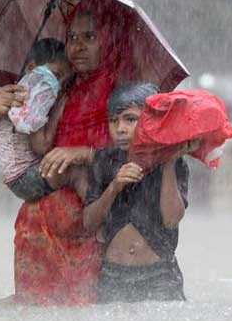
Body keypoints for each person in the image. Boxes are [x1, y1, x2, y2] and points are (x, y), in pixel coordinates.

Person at [0, 0, 138, 304]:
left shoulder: (122, 91)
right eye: (72, 38)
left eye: (90, 37)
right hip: (37, 230)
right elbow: (10, 153)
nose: (78, 46)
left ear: (109, 40)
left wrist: (83, 153)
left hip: (92, 231)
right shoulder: (53, 86)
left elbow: (138, 154)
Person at [83, 82, 197, 302]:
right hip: (113, 275)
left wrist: (169, 162)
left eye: (130, 119)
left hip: (159, 276)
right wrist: (114, 187)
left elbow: (172, 219)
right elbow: (89, 222)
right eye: (113, 121)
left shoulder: (173, 161)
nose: (120, 129)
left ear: (150, 121)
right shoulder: (104, 160)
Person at [0, 38, 87, 200]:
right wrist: (59, 111)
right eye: (56, 76)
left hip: (15, 176)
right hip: (24, 177)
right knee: (78, 173)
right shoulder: (33, 99)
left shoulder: (23, 89)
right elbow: (42, 146)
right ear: (32, 68)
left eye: (64, 81)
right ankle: (95, 214)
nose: (58, 86)